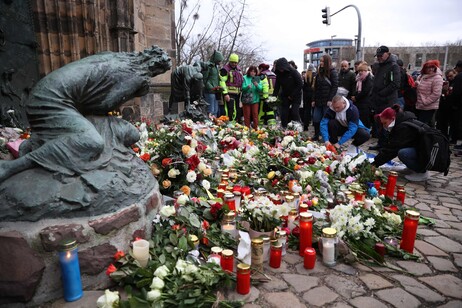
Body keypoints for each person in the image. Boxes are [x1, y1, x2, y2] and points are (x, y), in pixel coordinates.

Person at [0, 46, 172, 183]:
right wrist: (136, 92)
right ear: (155, 69)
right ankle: (14, 167)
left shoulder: (117, 56)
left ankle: (36, 144)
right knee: (93, 142)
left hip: (44, 91)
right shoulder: (137, 76)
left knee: (103, 131)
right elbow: (103, 104)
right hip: (51, 102)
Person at [372, 104, 430, 181]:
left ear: (392, 119)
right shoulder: (400, 122)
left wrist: (375, 164)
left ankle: (422, 172)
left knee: (403, 153)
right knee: (403, 150)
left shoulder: (403, 127)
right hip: (419, 149)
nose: (384, 126)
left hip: (426, 152)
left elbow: (392, 149)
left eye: (385, 123)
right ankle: (410, 169)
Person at [369, 45, 401, 150]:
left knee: (387, 123)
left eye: (381, 55)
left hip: (388, 100)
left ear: (388, 54)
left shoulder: (393, 66)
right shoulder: (378, 66)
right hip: (378, 99)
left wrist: (382, 93)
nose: (379, 57)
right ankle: (381, 143)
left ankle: (387, 145)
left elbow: (395, 84)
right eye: (377, 56)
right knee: (379, 122)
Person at [312, 54, 338, 141]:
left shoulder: (333, 72)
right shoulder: (319, 72)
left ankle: (325, 137)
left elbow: (335, 86)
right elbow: (316, 87)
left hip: (327, 101)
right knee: (316, 118)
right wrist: (313, 99)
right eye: (320, 61)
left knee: (325, 120)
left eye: (322, 61)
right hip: (318, 100)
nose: (321, 62)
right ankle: (316, 135)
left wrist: (330, 99)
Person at [273, 57, 303, 128]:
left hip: (296, 95)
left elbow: (300, 84)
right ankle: (284, 128)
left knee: (294, 112)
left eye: (282, 68)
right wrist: (274, 97)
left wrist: (292, 95)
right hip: (285, 95)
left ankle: (298, 128)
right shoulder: (279, 74)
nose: (281, 70)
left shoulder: (294, 72)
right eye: (279, 69)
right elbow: (277, 86)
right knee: (284, 113)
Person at [415, 60, 444, 127]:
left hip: (429, 106)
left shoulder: (437, 78)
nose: (431, 69)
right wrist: (416, 85)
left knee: (422, 126)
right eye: (428, 67)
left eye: (433, 67)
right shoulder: (421, 76)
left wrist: (425, 102)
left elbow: (436, 94)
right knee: (421, 125)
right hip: (419, 105)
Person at [197, 50, 224, 117]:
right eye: (219, 60)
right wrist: (211, 87)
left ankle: (214, 124)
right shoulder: (209, 66)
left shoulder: (216, 67)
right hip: (209, 92)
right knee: (210, 110)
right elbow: (205, 79)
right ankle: (209, 123)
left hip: (215, 91)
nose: (220, 62)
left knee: (215, 110)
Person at [220, 53, 244, 123]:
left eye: (235, 62)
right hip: (229, 93)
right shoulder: (225, 70)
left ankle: (234, 123)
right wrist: (225, 93)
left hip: (238, 94)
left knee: (237, 110)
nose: (234, 64)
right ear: (229, 61)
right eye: (232, 62)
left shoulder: (239, 70)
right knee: (230, 110)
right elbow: (222, 82)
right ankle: (229, 123)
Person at [351, 63, 374, 128]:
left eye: (362, 71)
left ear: (366, 70)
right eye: (359, 71)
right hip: (359, 102)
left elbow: (365, 91)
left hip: (365, 103)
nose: (360, 72)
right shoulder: (358, 78)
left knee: (365, 119)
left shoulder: (369, 78)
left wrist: (356, 97)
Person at [436, 69, 456, 140]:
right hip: (446, 106)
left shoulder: (456, 83)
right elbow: (444, 95)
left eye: (451, 76)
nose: (450, 78)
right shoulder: (447, 83)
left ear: (454, 74)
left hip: (453, 106)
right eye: (448, 77)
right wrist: (444, 92)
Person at [451, 60, 462, 150]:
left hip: (459, 105)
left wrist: (454, 104)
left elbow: (456, 92)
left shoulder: (459, 77)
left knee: (458, 123)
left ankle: (456, 141)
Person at [302, 64, 316, 131]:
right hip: (313, 94)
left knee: (306, 110)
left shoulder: (306, 75)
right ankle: (314, 124)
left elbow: (304, 87)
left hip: (306, 95)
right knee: (314, 110)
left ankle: (305, 126)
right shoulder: (315, 75)